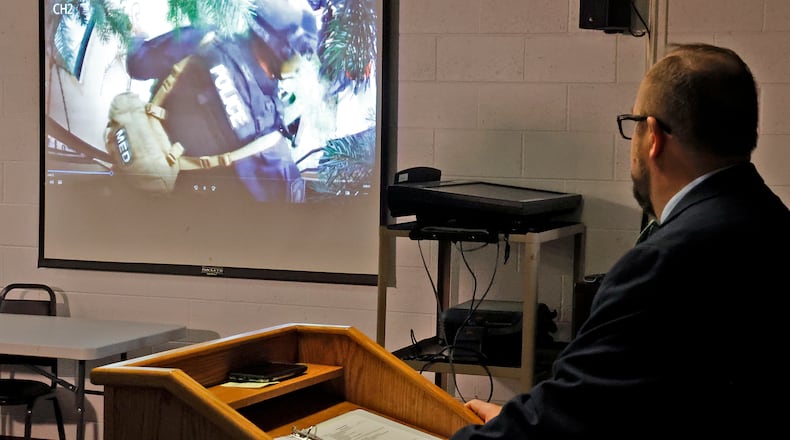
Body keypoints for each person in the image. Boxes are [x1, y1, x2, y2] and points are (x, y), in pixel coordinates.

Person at [450, 43, 790, 439]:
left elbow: (569, 428)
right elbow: (655, 398)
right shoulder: (772, 220)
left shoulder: (663, 264)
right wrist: (524, 416)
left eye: (633, 124)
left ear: (653, 136)